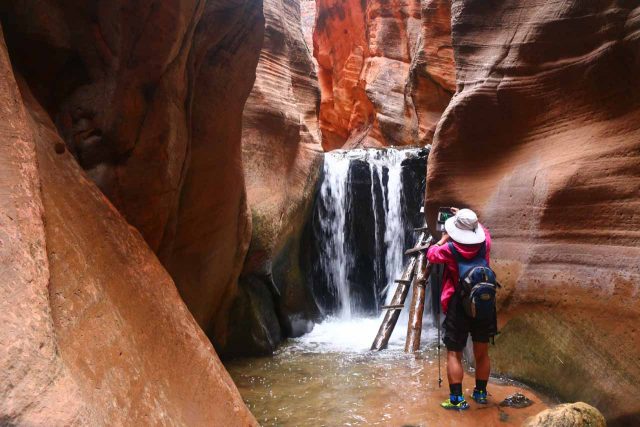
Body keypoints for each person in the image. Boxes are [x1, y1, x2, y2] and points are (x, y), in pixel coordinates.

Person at [426, 207, 495, 410]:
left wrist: (444, 238)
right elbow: (483, 231)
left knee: (454, 353)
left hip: (459, 303)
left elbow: (431, 254)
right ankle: (481, 393)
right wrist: (468, 218)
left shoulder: (450, 249)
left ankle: (457, 400)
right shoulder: (486, 242)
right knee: (482, 351)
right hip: (484, 300)